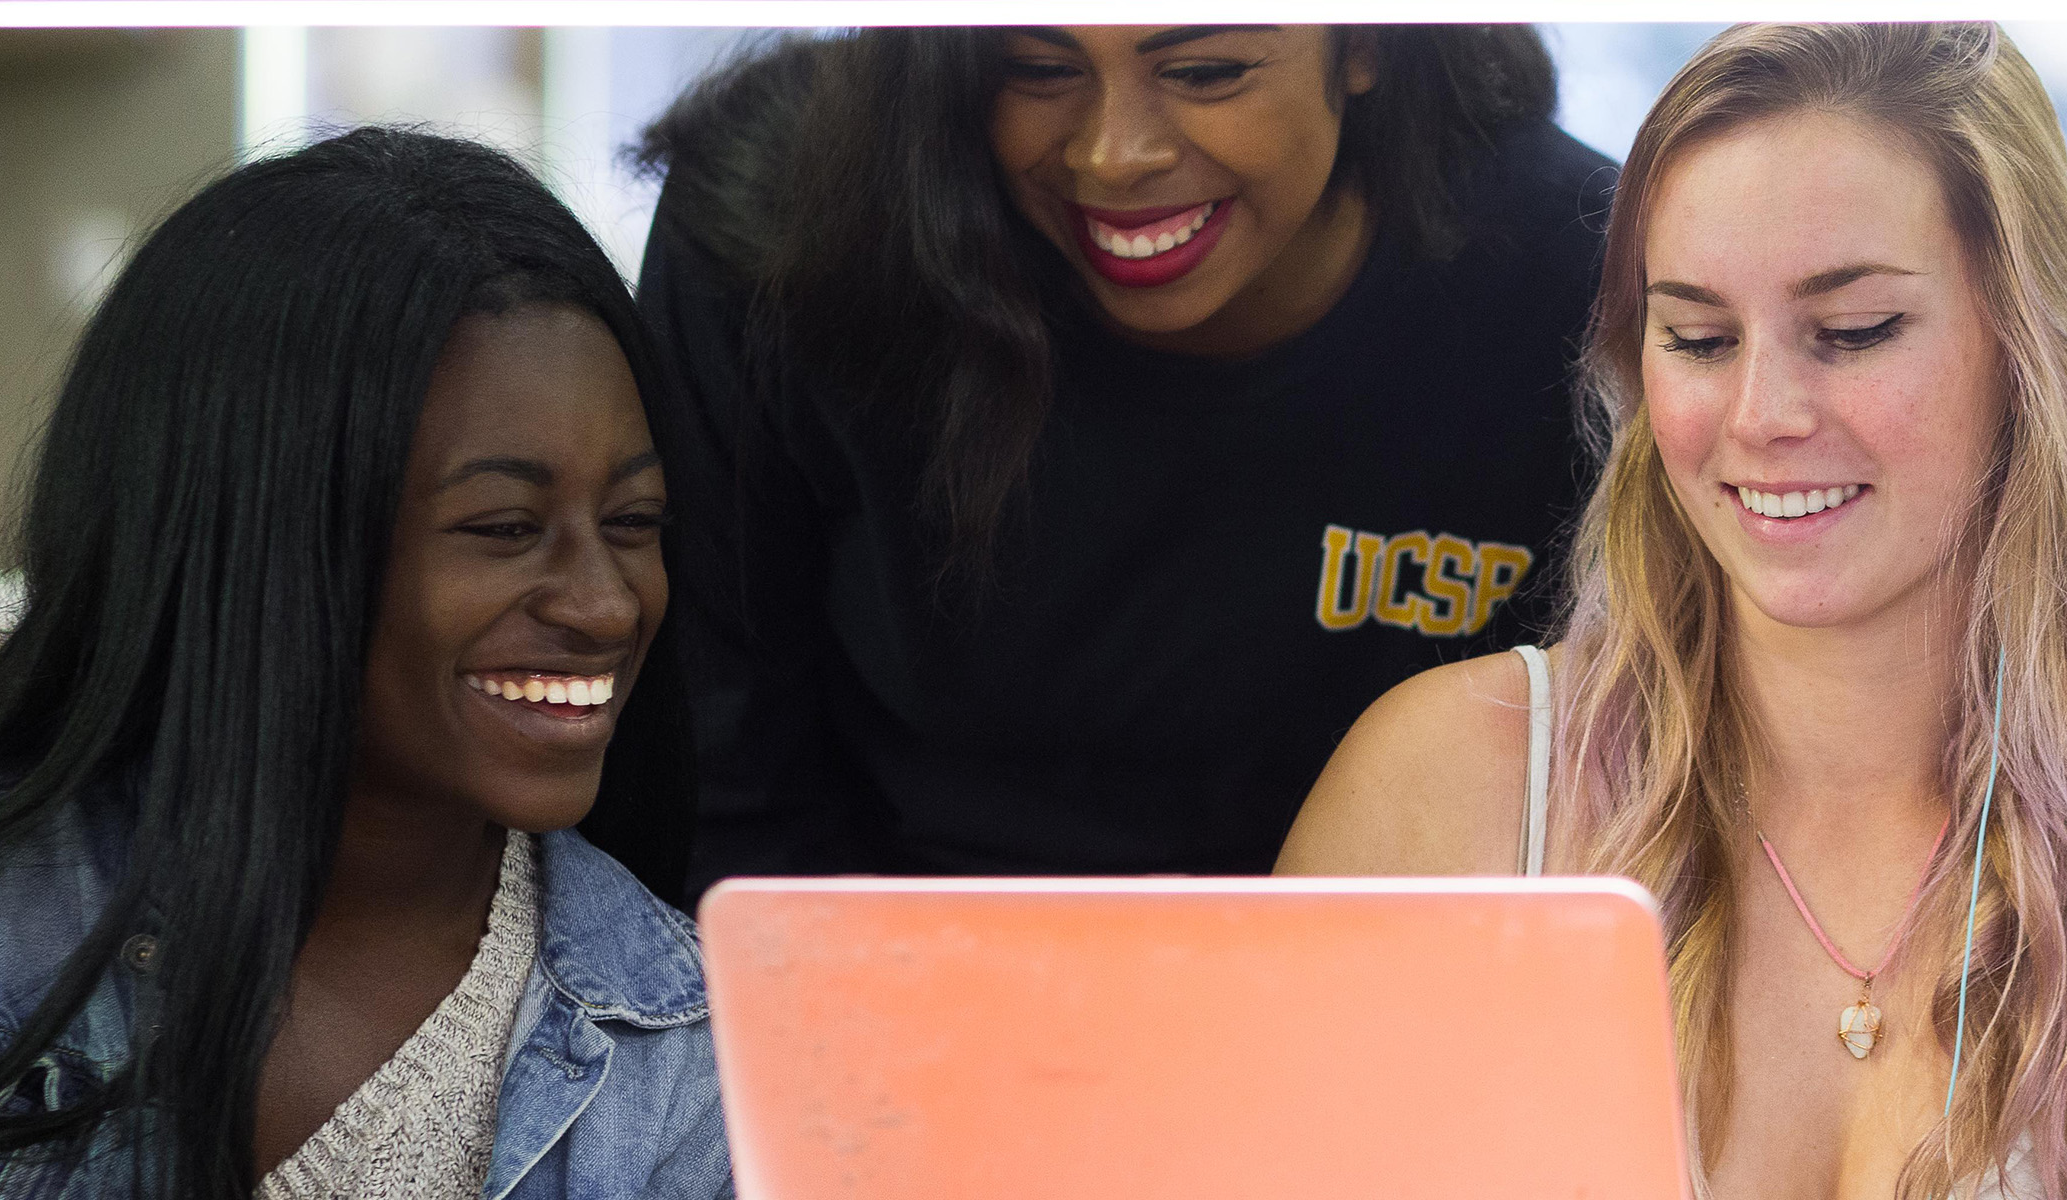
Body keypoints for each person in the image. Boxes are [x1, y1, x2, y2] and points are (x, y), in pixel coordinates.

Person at [1281, 23, 2067, 1199]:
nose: (1762, 414)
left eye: (1852, 332)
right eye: (1698, 338)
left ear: (2024, 343)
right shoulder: (1447, 785)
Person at [0, 128, 727, 1200]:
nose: (604, 602)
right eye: (502, 526)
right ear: (255, 534)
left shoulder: (685, 1059)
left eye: (635, 519)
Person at [632, 24, 1610, 882]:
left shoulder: (1587, 287)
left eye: (1207, 70)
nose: (1114, 156)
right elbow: (722, 788)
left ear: (1364, 45)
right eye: (1037, 69)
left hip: (1394, 1013)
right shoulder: (783, 235)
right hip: (885, 1006)